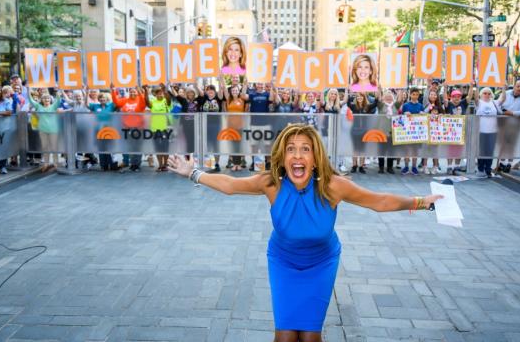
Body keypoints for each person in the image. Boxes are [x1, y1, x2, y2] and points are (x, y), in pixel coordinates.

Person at [167, 123, 442, 342]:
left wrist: (420, 202)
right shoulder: (271, 183)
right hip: (283, 262)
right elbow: (230, 184)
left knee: (310, 336)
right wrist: (193, 173)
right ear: (282, 157)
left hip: (321, 264)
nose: (297, 155)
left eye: (305, 149)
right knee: (285, 336)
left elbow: (380, 202)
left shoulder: (334, 186)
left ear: (315, 157)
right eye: (291, 149)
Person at [111, 83, 146, 172]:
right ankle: (132, 163)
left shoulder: (139, 99)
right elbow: (116, 102)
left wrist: (140, 92)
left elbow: (143, 103)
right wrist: (113, 90)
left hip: (138, 127)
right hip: (127, 128)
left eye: (134, 92)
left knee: (137, 146)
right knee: (131, 146)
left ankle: (136, 165)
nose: (132, 94)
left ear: (137, 93)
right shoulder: (125, 100)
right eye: (131, 92)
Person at [497, 80, 520, 172]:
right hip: (503, 123)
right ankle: (502, 163)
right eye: (518, 86)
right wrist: (504, 112)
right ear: (514, 86)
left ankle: (509, 164)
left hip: (516, 124)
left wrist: (511, 113)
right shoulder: (506, 93)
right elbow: (499, 105)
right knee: (503, 144)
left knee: (512, 144)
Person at [28, 88, 62, 172]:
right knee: (45, 147)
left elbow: (58, 100)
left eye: (48, 98)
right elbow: (31, 100)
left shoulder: (53, 106)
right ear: (41, 100)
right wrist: (28, 89)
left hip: (53, 129)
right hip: (42, 130)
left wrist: (57, 92)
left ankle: (55, 163)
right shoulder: (38, 106)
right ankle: (46, 164)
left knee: (54, 147)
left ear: (50, 100)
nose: (46, 99)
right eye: (44, 98)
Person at [143, 85, 173, 172]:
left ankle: (165, 164)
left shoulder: (166, 101)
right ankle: (160, 165)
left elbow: (169, 99)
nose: (160, 95)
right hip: (155, 129)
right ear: (155, 95)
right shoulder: (153, 102)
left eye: (161, 93)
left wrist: (164, 89)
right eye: (158, 94)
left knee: (165, 147)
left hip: (165, 128)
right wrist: (145, 90)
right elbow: (146, 102)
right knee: (158, 147)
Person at [198, 80, 225, 173]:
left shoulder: (218, 98)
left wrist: (221, 79)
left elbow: (221, 92)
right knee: (208, 145)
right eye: (208, 90)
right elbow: (198, 90)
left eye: (212, 90)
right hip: (205, 125)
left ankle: (217, 164)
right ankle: (210, 164)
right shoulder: (203, 98)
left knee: (216, 145)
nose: (210, 91)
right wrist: (195, 81)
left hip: (216, 124)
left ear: (214, 91)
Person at [375, 89, 404, 174]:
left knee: (390, 151)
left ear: (393, 98)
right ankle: (381, 167)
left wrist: (401, 90)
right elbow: (378, 97)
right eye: (387, 97)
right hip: (382, 132)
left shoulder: (395, 105)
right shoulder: (381, 105)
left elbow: (400, 100)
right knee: (381, 151)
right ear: (384, 98)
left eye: (390, 97)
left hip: (392, 132)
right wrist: (378, 87)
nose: (388, 98)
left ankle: (390, 167)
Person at [475, 87, 502, 178]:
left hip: (492, 131)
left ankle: (488, 169)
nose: (487, 95)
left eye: (489, 93)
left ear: (491, 95)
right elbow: (475, 98)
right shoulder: (479, 102)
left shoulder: (494, 102)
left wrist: (504, 89)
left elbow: (503, 99)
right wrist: (476, 86)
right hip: (481, 131)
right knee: (482, 151)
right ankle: (480, 169)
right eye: (485, 93)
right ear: (481, 94)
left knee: (490, 151)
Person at [348, 92, 376, 173]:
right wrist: (350, 93)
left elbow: (375, 103)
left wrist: (378, 91)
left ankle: (361, 166)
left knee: (363, 149)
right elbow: (348, 103)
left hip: (364, 131)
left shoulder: (367, 107)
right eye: (358, 96)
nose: (359, 98)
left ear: (364, 98)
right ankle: (354, 165)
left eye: (361, 96)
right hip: (354, 130)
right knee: (355, 149)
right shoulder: (353, 106)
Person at [88, 90, 116, 171]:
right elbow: (86, 105)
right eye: (101, 98)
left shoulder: (111, 105)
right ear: (99, 99)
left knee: (109, 147)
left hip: (109, 129)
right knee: (101, 148)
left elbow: (117, 103)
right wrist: (86, 92)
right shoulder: (96, 106)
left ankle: (111, 164)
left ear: (106, 99)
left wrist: (113, 90)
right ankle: (103, 165)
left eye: (104, 98)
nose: (102, 100)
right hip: (98, 129)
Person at [401, 88, 424, 175]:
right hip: (407, 131)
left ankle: (414, 167)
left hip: (417, 132)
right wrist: (405, 114)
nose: (415, 96)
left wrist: (422, 114)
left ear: (418, 95)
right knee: (407, 150)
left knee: (415, 150)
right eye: (413, 94)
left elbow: (423, 118)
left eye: (417, 94)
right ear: (410, 95)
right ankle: (406, 166)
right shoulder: (406, 105)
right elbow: (401, 117)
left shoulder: (420, 105)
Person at [223, 84, 246, 171]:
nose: (234, 92)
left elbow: (244, 89)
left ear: (238, 91)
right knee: (232, 145)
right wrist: (221, 79)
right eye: (233, 91)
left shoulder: (242, 99)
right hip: (230, 126)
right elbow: (225, 89)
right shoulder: (229, 100)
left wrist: (245, 81)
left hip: (240, 126)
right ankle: (234, 164)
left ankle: (238, 164)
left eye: (236, 90)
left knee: (239, 145)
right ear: (231, 92)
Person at [422, 90, 445, 175]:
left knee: (435, 150)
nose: (433, 96)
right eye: (431, 94)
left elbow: (444, 115)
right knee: (426, 149)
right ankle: (425, 166)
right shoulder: (425, 105)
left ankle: (435, 166)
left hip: (436, 132)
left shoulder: (439, 106)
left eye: (435, 94)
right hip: (426, 131)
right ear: (428, 96)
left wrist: (441, 115)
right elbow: (423, 113)